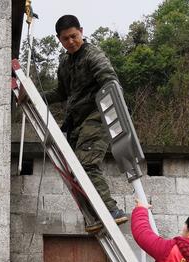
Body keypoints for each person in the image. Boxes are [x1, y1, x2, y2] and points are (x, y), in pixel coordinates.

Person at [43, 14, 128, 231]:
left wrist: (115, 115)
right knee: (72, 170)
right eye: (65, 39)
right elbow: (61, 92)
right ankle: (96, 215)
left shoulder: (93, 55)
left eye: (74, 36)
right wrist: (36, 95)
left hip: (97, 116)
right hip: (76, 121)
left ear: (81, 31)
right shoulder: (64, 63)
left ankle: (111, 210)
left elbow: (110, 81)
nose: (71, 42)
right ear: (59, 39)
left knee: (86, 164)